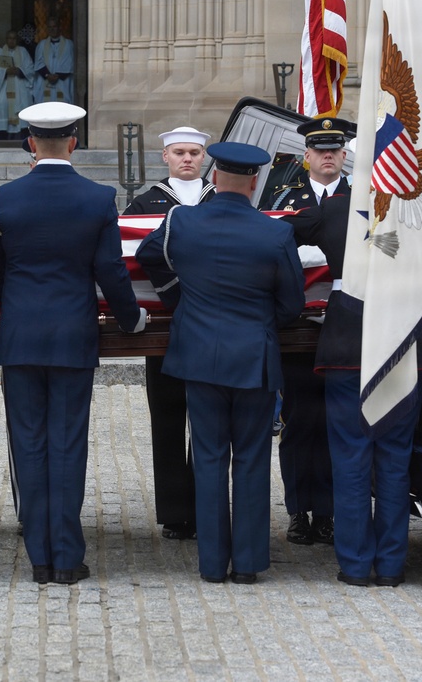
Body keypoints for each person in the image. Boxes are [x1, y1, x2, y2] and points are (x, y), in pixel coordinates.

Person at [0, 102, 147, 584]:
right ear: (74, 142)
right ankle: (68, 557)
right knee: (68, 444)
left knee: (28, 444)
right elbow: (111, 271)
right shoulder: (97, 198)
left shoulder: (1, 199)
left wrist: (20, 302)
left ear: (31, 143)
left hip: (21, 334)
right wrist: (131, 318)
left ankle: (40, 558)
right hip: (74, 334)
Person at [135, 142, 305, 584]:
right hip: (253, 356)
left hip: (199, 355)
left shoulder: (181, 221)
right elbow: (291, 304)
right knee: (250, 457)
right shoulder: (275, 232)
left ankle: (212, 564)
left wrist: (179, 297)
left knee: (209, 457)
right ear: (254, 183)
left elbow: (147, 255)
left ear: (213, 178)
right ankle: (247, 564)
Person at [280, 124, 422, 587]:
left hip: (347, 339)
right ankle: (390, 566)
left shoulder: (334, 210)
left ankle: (353, 565)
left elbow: (275, 233)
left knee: (349, 458)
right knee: (392, 460)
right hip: (405, 338)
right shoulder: (418, 213)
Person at [122, 126, 217, 541]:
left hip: (213, 323)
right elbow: (130, 259)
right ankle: (176, 511)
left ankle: (207, 506)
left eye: (195, 153)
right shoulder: (144, 202)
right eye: (179, 152)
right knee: (167, 417)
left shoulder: (221, 197)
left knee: (210, 420)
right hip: (164, 325)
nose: (188, 159)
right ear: (165, 157)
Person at [265, 117, 356, 547]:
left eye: (334, 150)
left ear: (343, 156)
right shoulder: (282, 198)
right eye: (319, 150)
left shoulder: (363, 200)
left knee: (338, 421)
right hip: (297, 327)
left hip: (346, 325)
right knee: (300, 420)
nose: (327, 156)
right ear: (305, 158)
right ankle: (300, 510)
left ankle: (331, 511)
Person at [0, 29, 35, 140]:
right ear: (6, 40)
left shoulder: (23, 51)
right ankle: (1, 138)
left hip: (19, 88)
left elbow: (30, 69)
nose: (12, 41)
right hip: (3, 89)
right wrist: (5, 72)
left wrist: (19, 70)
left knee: (21, 108)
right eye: (9, 38)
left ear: (17, 40)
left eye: (14, 38)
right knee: (0, 108)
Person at [33, 17, 74, 104]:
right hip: (45, 82)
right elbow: (38, 62)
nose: (52, 29)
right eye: (49, 27)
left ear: (59, 27)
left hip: (62, 83)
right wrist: (47, 75)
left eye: (54, 26)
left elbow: (70, 63)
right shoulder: (42, 44)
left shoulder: (68, 44)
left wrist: (57, 75)